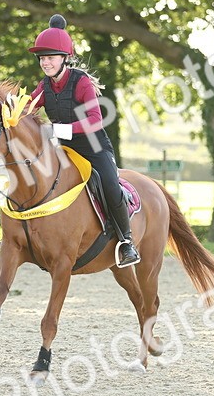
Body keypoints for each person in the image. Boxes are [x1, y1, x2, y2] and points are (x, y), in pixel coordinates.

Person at [26, 14, 140, 268]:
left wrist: (58, 130)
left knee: (110, 184)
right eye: (42, 58)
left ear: (64, 58)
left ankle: (126, 241)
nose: (45, 63)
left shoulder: (82, 82)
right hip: (64, 150)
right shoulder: (44, 86)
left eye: (50, 57)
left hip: (94, 148)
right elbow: (27, 108)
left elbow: (95, 120)